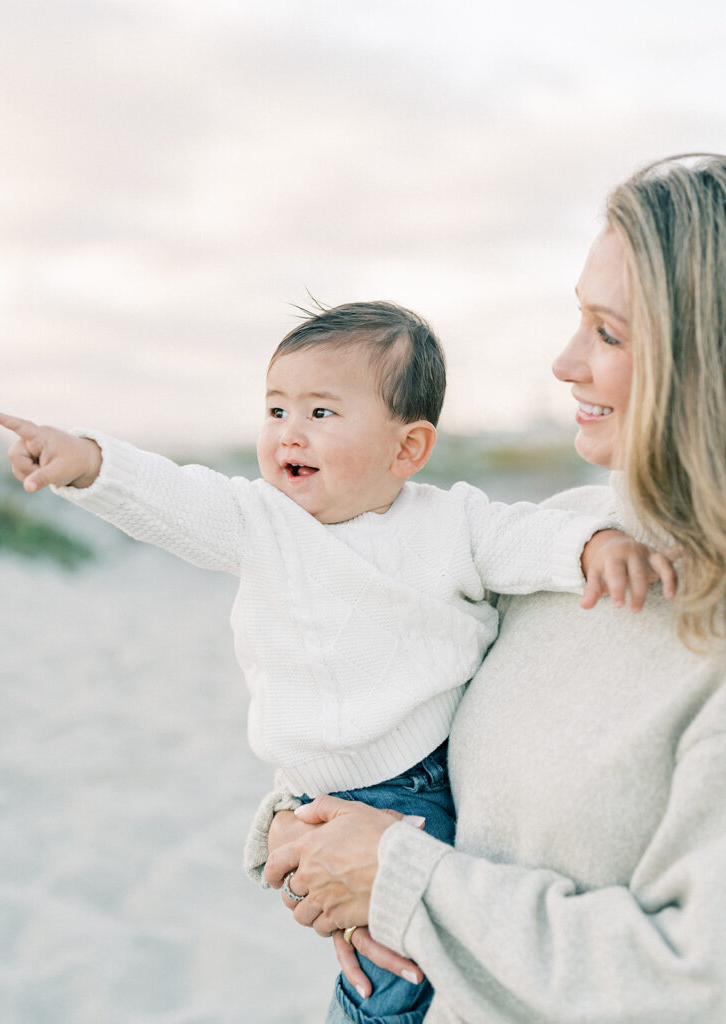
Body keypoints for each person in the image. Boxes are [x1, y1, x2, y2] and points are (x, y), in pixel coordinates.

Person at [0, 302, 672, 1024]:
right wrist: (90, 464)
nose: (290, 431)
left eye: (321, 412)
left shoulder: (449, 521)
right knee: (382, 970)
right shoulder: (262, 523)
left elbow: (524, 536)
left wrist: (593, 545)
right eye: (277, 408)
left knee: (403, 974)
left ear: (407, 449)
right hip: (315, 796)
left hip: (425, 782)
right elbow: (176, 497)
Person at [260, 154, 726, 1024]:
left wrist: (398, 879)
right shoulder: (566, 543)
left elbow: (696, 983)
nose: (564, 363)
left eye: (609, 334)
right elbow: (401, 692)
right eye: (576, 321)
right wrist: (313, 833)